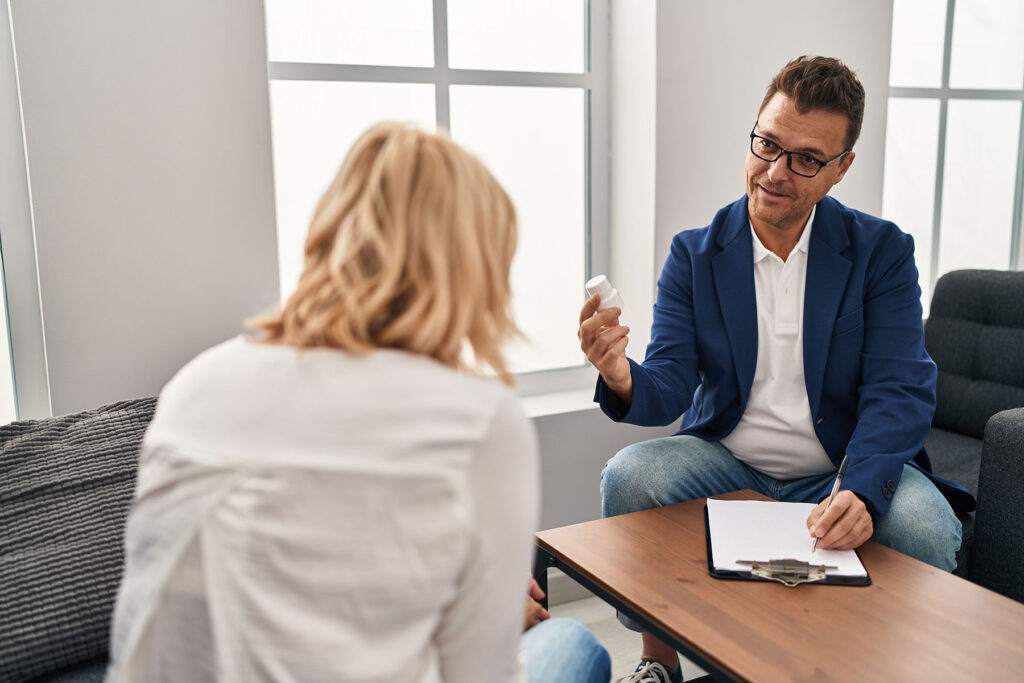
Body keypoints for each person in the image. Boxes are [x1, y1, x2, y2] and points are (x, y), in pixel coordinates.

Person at [106, 121, 609, 683]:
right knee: (570, 641)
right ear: (472, 270)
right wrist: (493, 611)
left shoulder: (194, 384)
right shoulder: (477, 420)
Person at [578, 56, 975, 683]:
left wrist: (861, 491)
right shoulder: (696, 252)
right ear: (756, 131)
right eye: (768, 144)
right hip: (729, 458)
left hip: (839, 468)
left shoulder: (882, 252)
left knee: (927, 529)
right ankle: (658, 662)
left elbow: (899, 390)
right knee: (630, 477)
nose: (774, 172)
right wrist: (621, 374)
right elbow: (671, 382)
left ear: (841, 168)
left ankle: (866, 666)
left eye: (806, 159)